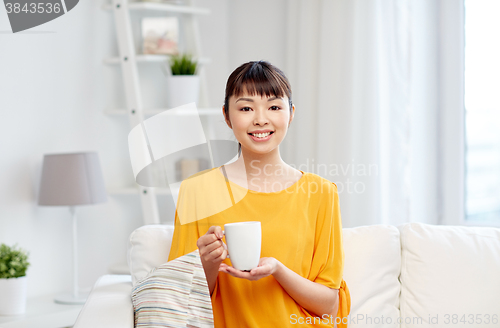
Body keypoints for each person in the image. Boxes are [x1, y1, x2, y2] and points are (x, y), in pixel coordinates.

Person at [168, 60, 350, 327]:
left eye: (274, 107)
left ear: (291, 113)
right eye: (246, 108)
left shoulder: (321, 193)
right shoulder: (196, 191)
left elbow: (329, 307)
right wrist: (208, 263)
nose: (261, 119)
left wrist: (277, 270)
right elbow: (178, 305)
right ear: (227, 116)